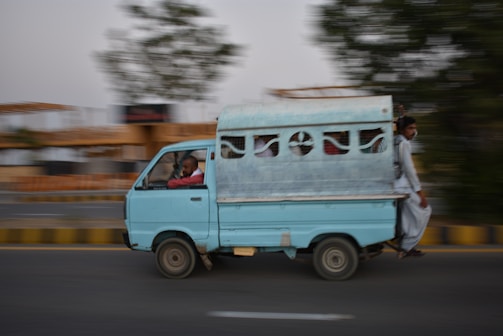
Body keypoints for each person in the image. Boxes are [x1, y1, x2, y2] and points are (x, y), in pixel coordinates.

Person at [394, 116, 431, 259]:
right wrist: (420, 193)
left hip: (400, 184)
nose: (414, 131)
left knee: (408, 213)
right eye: (410, 128)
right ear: (403, 130)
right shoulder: (403, 144)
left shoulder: (398, 141)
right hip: (401, 186)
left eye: (414, 128)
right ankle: (407, 245)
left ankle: (405, 243)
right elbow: (410, 170)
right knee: (425, 209)